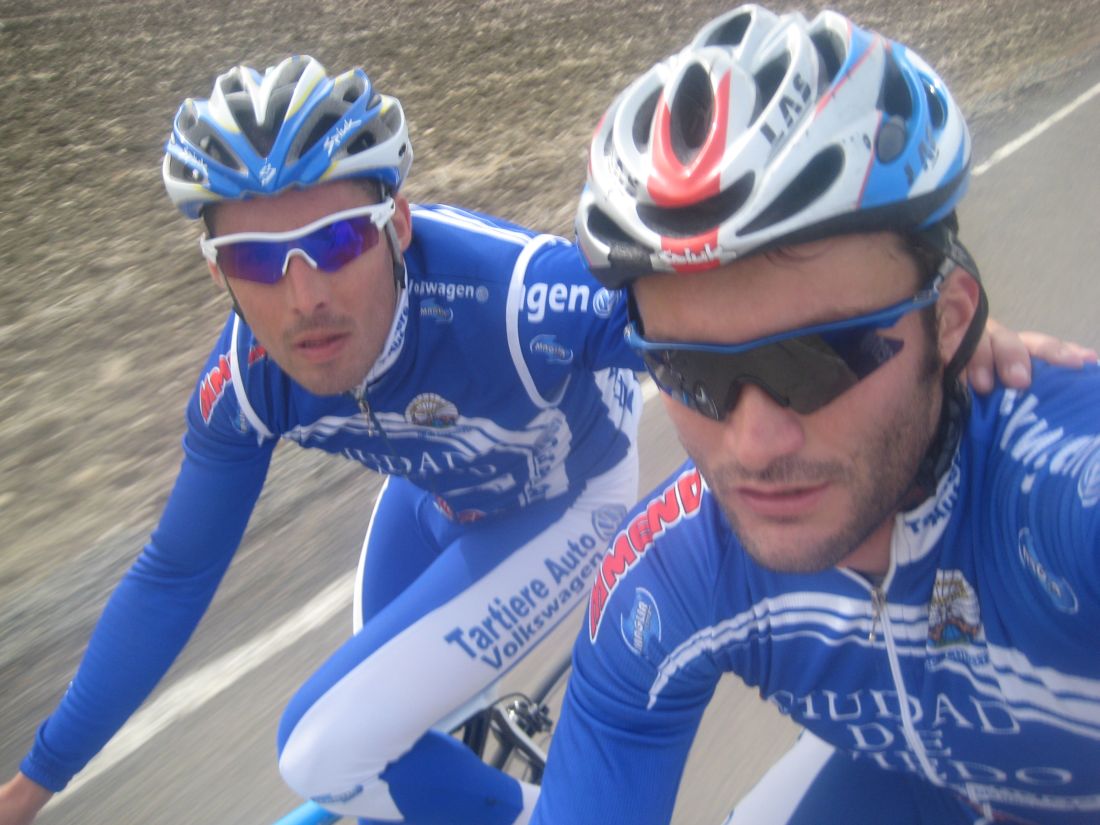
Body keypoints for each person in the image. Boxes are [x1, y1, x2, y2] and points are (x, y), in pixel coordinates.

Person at [0, 46, 1081, 825]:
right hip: (440, 500)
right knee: (381, 736)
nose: (302, 297)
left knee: (326, 745)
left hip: (569, 495)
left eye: (333, 241)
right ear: (218, 277)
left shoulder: (522, 301)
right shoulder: (243, 384)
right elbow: (173, 572)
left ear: (396, 224)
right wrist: (37, 780)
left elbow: (731, 311)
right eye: (253, 261)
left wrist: (942, 338)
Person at [532, 6, 1100, 825]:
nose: (755, 442)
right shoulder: (677, 572)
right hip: (921, 777)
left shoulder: (1066, 489)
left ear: (951, 321)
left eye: (823, 358)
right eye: (688, 372)